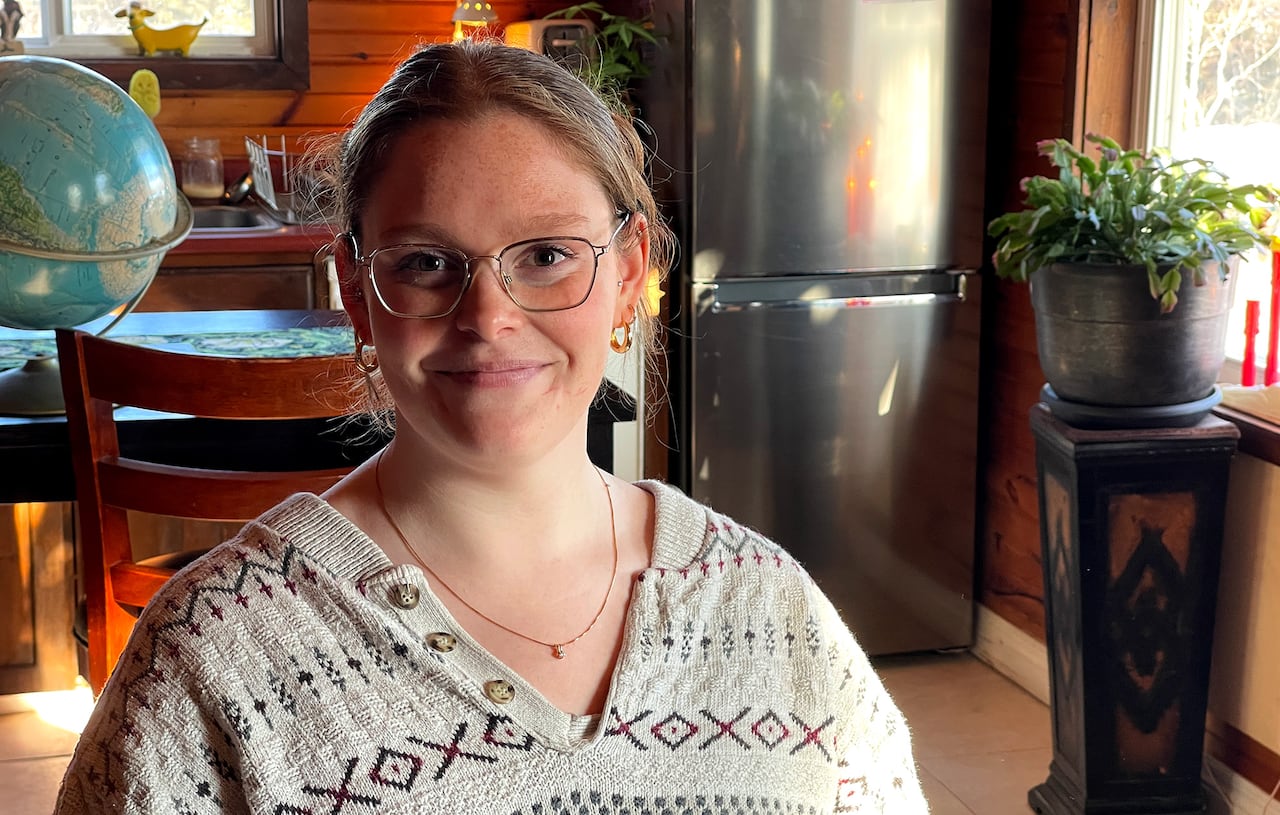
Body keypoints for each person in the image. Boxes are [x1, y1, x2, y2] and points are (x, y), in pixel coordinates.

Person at [56, 39, 928, 813]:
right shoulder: (210, 660)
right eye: (428, 263)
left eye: (547, 255)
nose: (490, 315)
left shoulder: (774, 611)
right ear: (357, 293)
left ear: (628, 276)